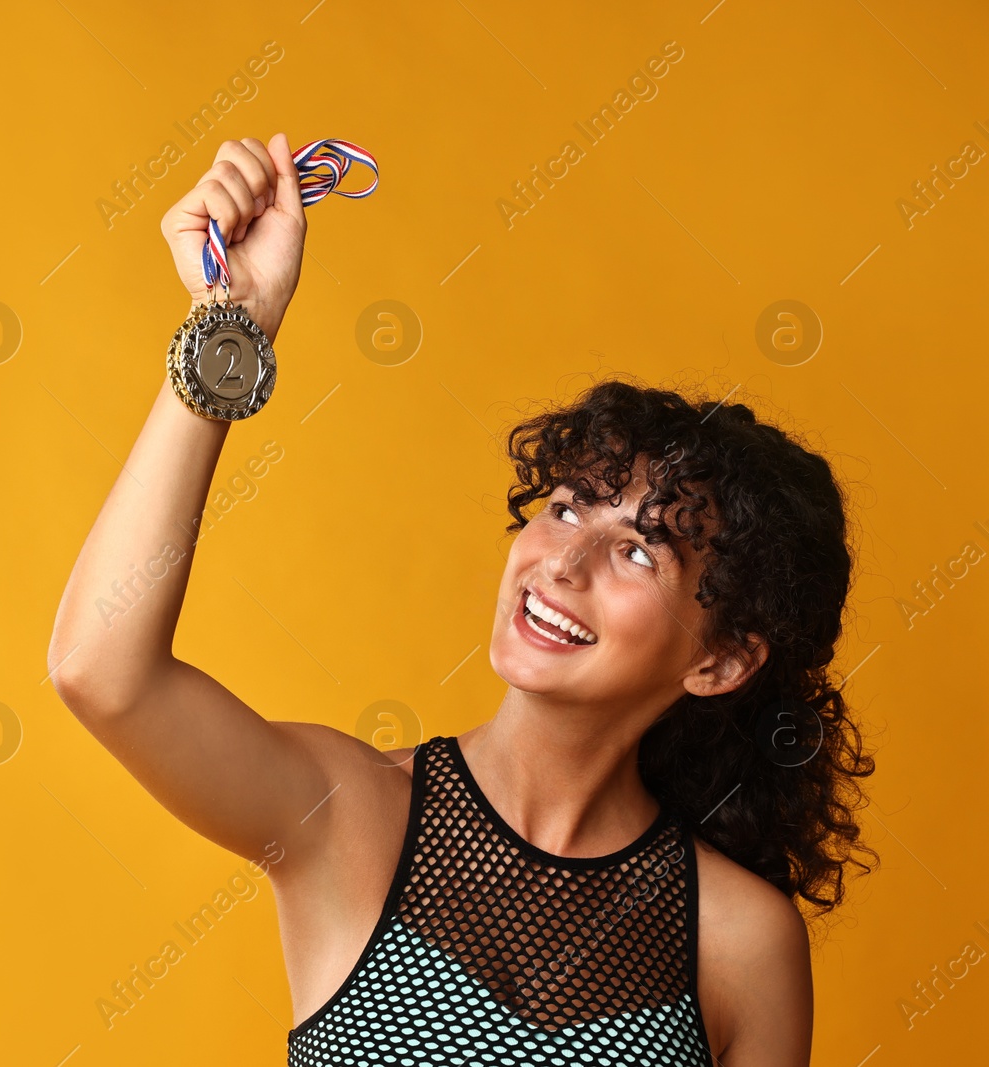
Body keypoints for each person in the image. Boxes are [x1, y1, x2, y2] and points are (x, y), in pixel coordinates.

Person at [47, 132, 877, 1066]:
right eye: (566, 508)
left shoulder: (740, 940)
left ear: (720, 660)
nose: (566, 563)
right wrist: (232, 329)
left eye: (641, 552)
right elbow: (100, 670)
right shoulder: (348, 815)